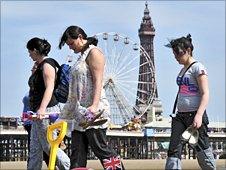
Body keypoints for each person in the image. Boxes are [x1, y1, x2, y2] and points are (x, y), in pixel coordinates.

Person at [58, 26, 124, 170]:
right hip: (79, 114)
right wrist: (63, 115)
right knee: (77, 154)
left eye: (71, 43)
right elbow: (74, 91)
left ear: (80, 37)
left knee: (101, 149)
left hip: (94, 112)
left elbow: (98, 81)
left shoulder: (94, 53)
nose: (70, 48)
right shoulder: (80, 57)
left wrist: (94, 106)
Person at [164, 34, 216, 170]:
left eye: (178, 54)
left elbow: (205, 93)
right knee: (174, 147)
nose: (176, 57)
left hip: (195, 115)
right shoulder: (182, 70)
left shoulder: (198, 67)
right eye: (174, 54)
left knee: (201, 146)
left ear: (188, 50)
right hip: (180, 116)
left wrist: (199, 115)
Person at [26, 37, 70, 170]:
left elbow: (50, 87)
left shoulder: (47, 65)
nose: (29, 54)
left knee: (49, 145)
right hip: (38, 111)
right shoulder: (40, 66)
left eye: (29, 51)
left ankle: (68, 166)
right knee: (35, 147)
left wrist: (42, 109)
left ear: (35, 50)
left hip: (47, 110)